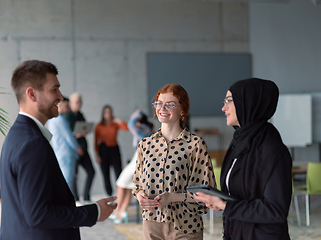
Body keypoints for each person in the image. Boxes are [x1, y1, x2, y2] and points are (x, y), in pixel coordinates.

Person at [0, 60, 117, 240]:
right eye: (54, 89)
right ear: (32, 94)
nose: (61, 96)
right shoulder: (32, 143)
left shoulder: (16, 136)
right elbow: (38, 214)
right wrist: (94, 212)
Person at [194, 78, 292, 240]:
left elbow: (275, 210)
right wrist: (219, 201)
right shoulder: (238, 143)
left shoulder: (273, 151)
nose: (223, 107)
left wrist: (225, 205)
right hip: (236, 232)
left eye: (229, 101)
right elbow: (239, 195)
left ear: (249, 102)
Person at [132, 84, 216, 240]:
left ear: (182, 110)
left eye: (170, 104)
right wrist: (140, 195)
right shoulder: (145, 144)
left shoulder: (195, 144)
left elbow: (206, 193)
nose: (162, 108)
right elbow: (137, 184)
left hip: (186, 225)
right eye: (159, 103)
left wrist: (173, 197)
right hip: (152, 224)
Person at [111, 109, 153, 224]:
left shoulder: (143, 128)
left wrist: (137, 112)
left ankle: (117, 211)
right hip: (140, 157)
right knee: (129, 186)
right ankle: (122, 212)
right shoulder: (145, 129)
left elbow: (130, 124)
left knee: (120, 182)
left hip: (140, 158)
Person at [47, 96, 83, 197]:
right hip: (66, 154)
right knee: (67, 182)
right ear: (60, 105)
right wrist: (78, 148)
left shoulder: (52, 120)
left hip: (60, 153)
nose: (68, 109)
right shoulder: (59, 119)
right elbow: (69, 137)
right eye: (67, 106)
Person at [65, 92, 95, 203]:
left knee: (91, 172)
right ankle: (75, 199)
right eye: (77, 102)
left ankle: (86, 196)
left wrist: (83, 132)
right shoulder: (67, 116)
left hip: (83, 148)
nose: (79, 104)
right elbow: (67, 135)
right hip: (74, 150)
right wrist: (75, 135)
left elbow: (84, 127)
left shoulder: (80, 115)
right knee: (74, 175)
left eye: (80, 102)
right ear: (71, 103)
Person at [94, 105, 128, 196]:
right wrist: (97, 155)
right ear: (103, 114)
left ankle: (120, 195)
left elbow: (127, 128)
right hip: (103, 150)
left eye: (109, 112)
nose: (108, 114)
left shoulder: (115, 124)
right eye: (106, 112)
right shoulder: (99, 125)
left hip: (114, 149)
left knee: (119, 172)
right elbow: (95, 141)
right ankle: (109, 195)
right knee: (106, 174)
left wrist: (118, 120)